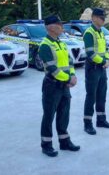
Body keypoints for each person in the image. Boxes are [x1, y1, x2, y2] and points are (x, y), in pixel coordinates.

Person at [39, 15, 80, 157]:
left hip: (65, 85)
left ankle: (64, 142)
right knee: (49, 115)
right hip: (52, 85)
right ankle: (46, 145)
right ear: (50, 27)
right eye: (59, 24)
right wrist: (69, 79)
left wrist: (72, 75)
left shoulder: (61, 43)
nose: (62, 27)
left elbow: (70, 62)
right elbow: (53, 70)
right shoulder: (45, 45)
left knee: (64, 114)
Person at [83, 8, 109, 135]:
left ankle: (101, 119)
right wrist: (103, 62)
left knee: (102, 95)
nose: (103, 19)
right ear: (94, 18)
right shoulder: (89, 33)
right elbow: (90, 53)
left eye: (104, 17)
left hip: (102, 68)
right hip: (93, 69)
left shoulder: (101, 32)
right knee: (91, 96)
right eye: (101, 17)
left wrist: (106, 59)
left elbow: (105, 49)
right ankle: (88, 123)